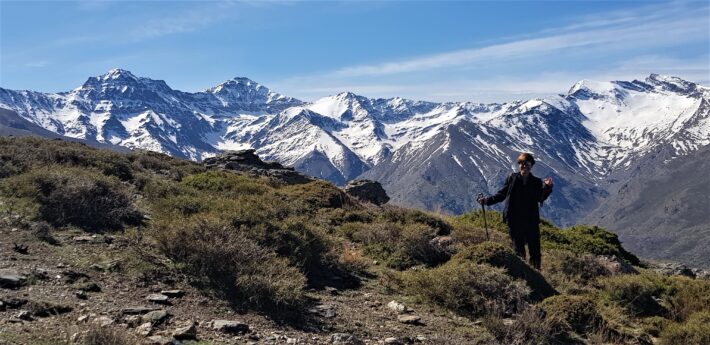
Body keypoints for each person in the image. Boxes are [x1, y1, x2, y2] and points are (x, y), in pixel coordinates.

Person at [477, 153, 553, 270]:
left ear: (531, 166)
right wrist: (486, 201)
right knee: (518, 250)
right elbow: (502, 194)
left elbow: (540, 198)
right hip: (514, 220)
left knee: (535, 250)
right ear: (519, 165)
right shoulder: (512, 179)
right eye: (522, 164)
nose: (524, 166)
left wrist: (547, 188)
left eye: (527, 164)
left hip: (531, 221)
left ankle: (537, 277)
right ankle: (523, 275)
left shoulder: (536, 182)